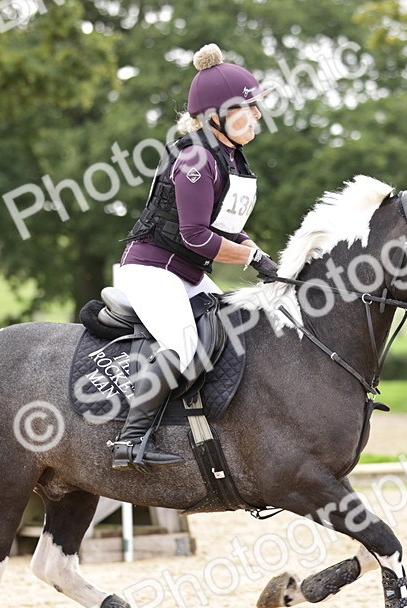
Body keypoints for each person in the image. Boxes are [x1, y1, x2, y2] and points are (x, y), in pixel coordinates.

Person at [109, 43, 281, 470]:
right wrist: (250, 259)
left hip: (184, 271)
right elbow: (197, 237)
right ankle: (131, 442)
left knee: (236, 328)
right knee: (183, 345)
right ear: (214, 116)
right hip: (152, 270)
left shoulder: (230, 159)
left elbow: (223, 225)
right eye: (248, 108)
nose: (257, 115)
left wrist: (262, 254)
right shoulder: (196, 158)